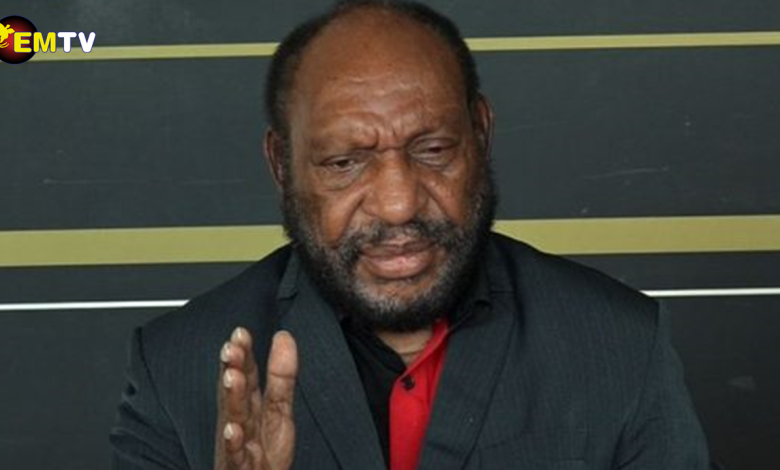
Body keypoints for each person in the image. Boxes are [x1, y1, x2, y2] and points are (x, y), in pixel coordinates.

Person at [110, 1, 711, 469]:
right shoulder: (176, 370)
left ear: (481, 134)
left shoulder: (619, 347)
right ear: (281, 165)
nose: (398, 205)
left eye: (433, 150)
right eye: (345, 163)